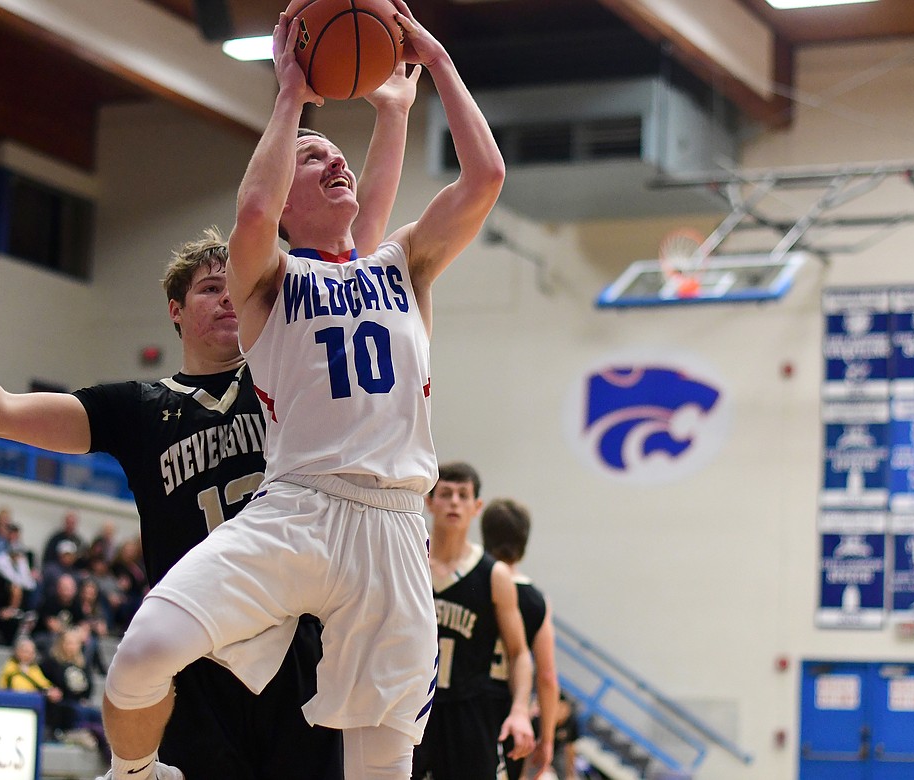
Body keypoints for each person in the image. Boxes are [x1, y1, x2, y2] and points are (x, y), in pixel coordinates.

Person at [0, 58, 420, 780]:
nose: (225, 301)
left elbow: (359, 244)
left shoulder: (284, 367)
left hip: (297, 642)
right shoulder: (134, 407)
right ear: (175, 311)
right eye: (208, 289)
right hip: (197, 654)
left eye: (232, 288)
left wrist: (393, 114)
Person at [85, 2, 508, 776]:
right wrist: (290, 96)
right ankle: (136, 774)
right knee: (141, 657)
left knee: (382, 768)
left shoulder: (401, 261)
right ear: (286, 198)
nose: (336, 162)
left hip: (391, 526)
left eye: (338, 156)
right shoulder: (268, 282)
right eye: (315, 159)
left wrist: (437, 64)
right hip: (299, 508)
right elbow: (251, 207)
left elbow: (486, 177)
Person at [414, 463, 535, 780]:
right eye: (446, 493)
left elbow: (520, 653)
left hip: (471, 711)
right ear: (429, 502)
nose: (454, 502)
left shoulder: (493, 575)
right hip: (412, 706)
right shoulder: (410, 562)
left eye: (463, 495)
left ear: (476, 507)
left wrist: (521, 710)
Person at [482, 498, 561, 780]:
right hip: (510, 717)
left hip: (464, 706)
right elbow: (548, 676)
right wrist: (547, 738)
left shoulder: (471, 586)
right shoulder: (536, 600)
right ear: (524, 541)